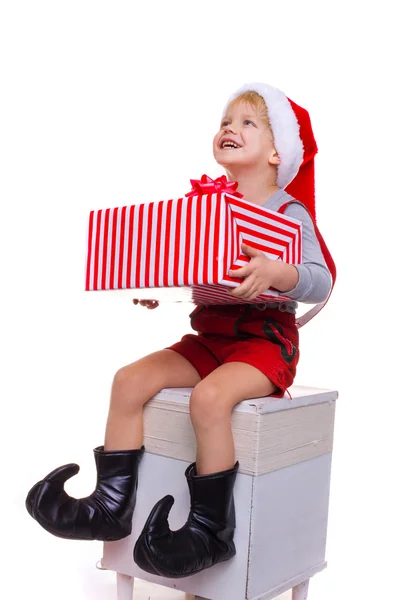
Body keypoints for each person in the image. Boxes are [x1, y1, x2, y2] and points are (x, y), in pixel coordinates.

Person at [26, 83, 334, 578]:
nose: (229, 128)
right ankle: (111, 506)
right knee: (129, 379)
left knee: (209, 400)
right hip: (209, 340)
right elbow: (195, 266)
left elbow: (320, 281)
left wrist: (279, 272)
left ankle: (211, 529)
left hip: (263, 345)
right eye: (225, 121)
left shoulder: (287, 212)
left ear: (278, 152)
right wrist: (159, 282)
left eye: (247, 123)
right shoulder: (210, 205)